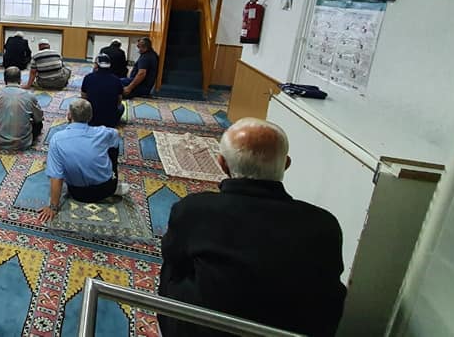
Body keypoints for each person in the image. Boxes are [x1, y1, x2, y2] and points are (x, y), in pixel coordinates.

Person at [159, 118, 347, 337]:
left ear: (222, 164)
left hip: (209, 329)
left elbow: (172, 255)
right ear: (286, 164)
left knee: (173, 264)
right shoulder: (324, 223)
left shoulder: (194, 209)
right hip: (293, 330)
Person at [38, 99, 128, 223]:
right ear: (90, 116)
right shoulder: (103, 132)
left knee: (57, 160)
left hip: (77, 192)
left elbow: (56, 177)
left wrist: (53, 207)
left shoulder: (57, 139)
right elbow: (117, 134)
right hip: (107, 188)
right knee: (113, 145)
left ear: (69, 115)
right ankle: (111, 177)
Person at [0, 67, 43, 150]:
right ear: (20, 80)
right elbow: (39, 118)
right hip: (22, 142)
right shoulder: (30, 96)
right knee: (38, 124)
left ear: (5, 80)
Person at [81, 54, 125, 128]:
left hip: (91, 119)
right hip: (111, 121)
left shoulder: (88, 78)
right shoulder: (117, 80)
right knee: (122, 107)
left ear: (96, 65)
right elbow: (119, 101)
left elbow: (84, 98)